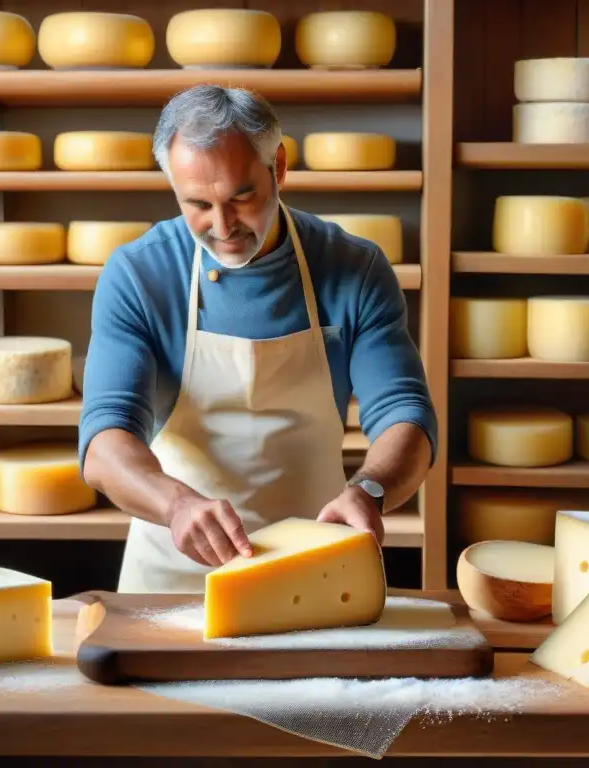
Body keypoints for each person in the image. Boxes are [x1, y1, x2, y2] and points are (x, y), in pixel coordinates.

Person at [78, 84, 437, 594]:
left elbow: (406, 414)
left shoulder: (353, 268)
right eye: (197, 204)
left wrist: (369, 491)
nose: (222, 226)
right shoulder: (139, 274)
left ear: (280, 167)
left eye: (241, 197)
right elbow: (105, 440)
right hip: (173, 575)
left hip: (315, 565)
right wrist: (174, 503)